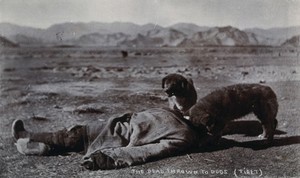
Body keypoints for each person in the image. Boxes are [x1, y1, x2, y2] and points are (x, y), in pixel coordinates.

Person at [12, 107, 202, 170]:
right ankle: (45, 148)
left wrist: (109, 158)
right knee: (73, 137)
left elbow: (148, 151)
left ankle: (27, 136)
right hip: (111, 128)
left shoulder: (184, 136)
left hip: (113, 137)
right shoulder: (177, 115)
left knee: (70, 136)